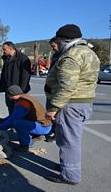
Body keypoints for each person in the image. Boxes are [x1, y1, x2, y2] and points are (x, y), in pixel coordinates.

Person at [44, 24, 100, 185]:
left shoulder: (71, 56)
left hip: (71, 105)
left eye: (59, 41)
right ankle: (66, 166)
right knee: (71, 139)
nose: (57, 45)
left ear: (65, 40)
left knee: (68, 141)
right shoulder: (90, 53)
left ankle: (70, 176)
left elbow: (66, 86)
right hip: (83, 103)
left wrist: (53, 108)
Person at [0, 85, 52, 152]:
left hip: (43, 127)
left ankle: (25, 146)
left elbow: (12, 120)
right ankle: (35, 135)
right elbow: (13, 116)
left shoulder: (23, 103)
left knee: (18, 123)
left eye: (8, 95)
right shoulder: (24, 97)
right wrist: (2, 121)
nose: (8, 97)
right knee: (19, 122)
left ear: (11, 95)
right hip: (41, 124)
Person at [0, 41, 32, 114]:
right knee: (10, 108)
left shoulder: (23, 58)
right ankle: (12, 123)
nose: (3, 51)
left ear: (10, 48)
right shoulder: (6, 58)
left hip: (18, 91)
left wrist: (21, 92)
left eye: (4, 49)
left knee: (19, 111)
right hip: (8, 90)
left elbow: (26, 77)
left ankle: (17, 124)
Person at [45, 37, 60, 142]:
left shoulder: (65, 57)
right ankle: (51, 130)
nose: (52, 49)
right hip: (50, 90)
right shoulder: (55, 56)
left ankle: (56, 134)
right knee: (49, 111)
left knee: (56, 114)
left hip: (57, 92)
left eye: (53, 46)